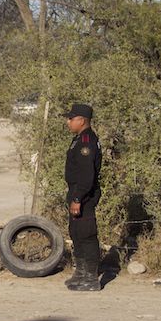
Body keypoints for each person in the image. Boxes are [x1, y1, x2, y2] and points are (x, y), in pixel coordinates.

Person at [62, 103, 102, 291]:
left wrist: (77, 199)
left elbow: (87, 175)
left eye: (71, 118)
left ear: (81, 120)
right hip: (76, 191)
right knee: (76, 233)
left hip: (84, 194)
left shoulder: (87, 141)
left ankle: (91, 278)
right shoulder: (78, 139)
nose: (68, 121)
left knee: (86, 234)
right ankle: (80, 273)